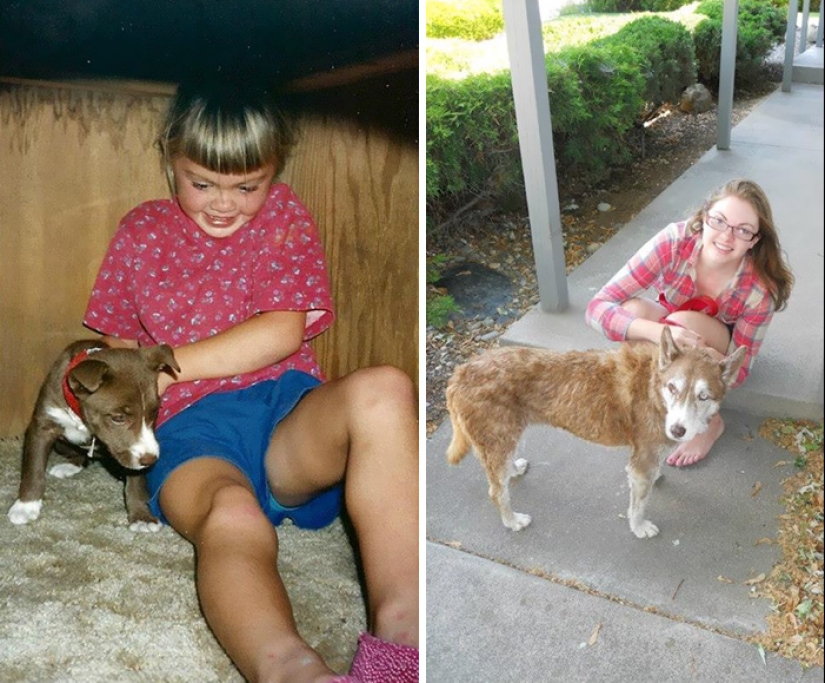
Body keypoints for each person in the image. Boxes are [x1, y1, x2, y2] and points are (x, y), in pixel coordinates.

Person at [83, 82, 419, 683]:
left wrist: (163, 361)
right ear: (169, 158)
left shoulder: (283, 214)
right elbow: (116, 357)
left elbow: (281, 333)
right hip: (189, 430)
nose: (223, 204)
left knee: (386, 387)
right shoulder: (141, 231)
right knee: (232, 517)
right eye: (201, 182)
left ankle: (405, 645)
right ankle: (292, 671)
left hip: (285, 411)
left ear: (275, 173)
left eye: (248, 186)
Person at [586, 178, 794, 467]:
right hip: (671, 323)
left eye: (743, 230)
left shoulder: (760, 290)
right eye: (719, 221)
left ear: (755, 241)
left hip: (716, 345)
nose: (726, 237)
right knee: (633, 310)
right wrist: (660, 331)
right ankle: (667, 399)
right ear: (704, 217)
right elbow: (598, 307)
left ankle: (708, 421)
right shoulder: (674, 241)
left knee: (681, 321)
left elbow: (740, 369)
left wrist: (699, 351)